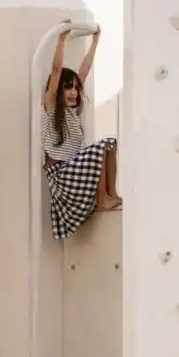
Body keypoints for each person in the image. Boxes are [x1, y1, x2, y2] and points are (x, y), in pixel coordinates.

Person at [41, 20, 121, 240]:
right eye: (68, 88)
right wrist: (61, 39)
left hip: (73, 173)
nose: (74, 93)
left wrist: (94, 43)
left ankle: (110, 194)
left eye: (76, 89)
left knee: (110, 143)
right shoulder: (51, 108)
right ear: (57, 91)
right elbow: (56, 70)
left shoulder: (73, 115)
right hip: (61, 177)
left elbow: (84, 71)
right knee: (100, 147)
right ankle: (102, 198)